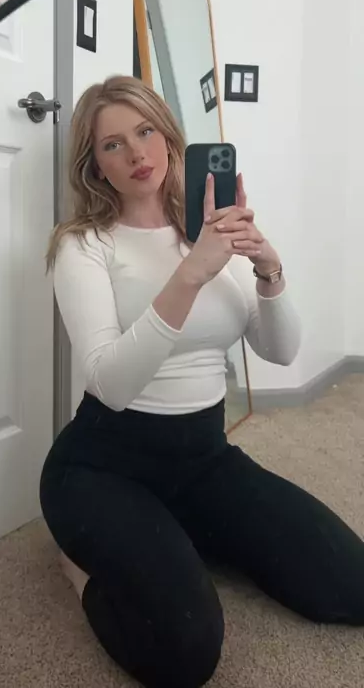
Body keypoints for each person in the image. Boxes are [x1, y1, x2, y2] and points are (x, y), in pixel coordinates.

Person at [40, 76, 364, 688]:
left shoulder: (210, 230)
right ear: (95, 165)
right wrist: (190, 273)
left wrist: (268, 268)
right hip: (102, 467)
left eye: (145, 131)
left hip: (204, 459)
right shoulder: (84, 246)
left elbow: (279, 351)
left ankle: (180, 532)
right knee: (185, 653)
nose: (136, 154)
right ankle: (79, 572)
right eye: (113, 144)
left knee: (351, 583)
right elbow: (109, 383)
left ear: (169, 137)